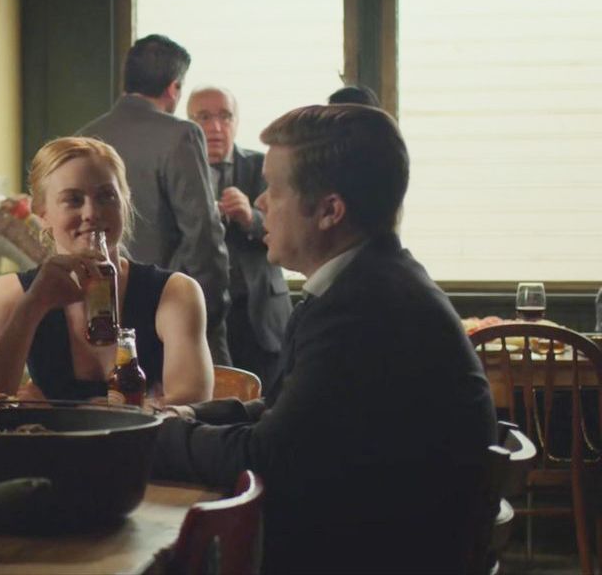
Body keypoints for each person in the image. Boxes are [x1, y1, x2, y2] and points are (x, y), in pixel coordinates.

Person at [153, 104, 497, 572]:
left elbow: (268, 455)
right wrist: (191, 414)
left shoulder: (364, 310)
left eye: (274, 189)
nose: (260, 203)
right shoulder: (371, 280)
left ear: (330, 211)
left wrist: (156, 437)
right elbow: (285, 411)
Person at [0, 137, 213, 405]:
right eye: (73, 200)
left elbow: (193, 400)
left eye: (106, 196)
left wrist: (59, 411)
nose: (92, 213)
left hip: (143, 438)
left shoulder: (174, 292)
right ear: (42, 214)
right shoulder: (11, 294)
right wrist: (33, 306)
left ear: (125, 201)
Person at [77, 34, 231, 367]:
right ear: (174, 88)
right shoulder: (182, 134)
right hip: (173, 307)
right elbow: (202, 232)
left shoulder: (84, 137)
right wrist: (212, 308)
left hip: (101, 313)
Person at [186, 86, 292, 382]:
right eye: (204, 117)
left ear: (237, 121)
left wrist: (251, 217)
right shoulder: (180, 172)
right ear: (189, 124)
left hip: (262, 310)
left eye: (225, 116)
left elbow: (292, 227)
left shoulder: (264, 166)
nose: (216, 127)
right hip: (206, 308)